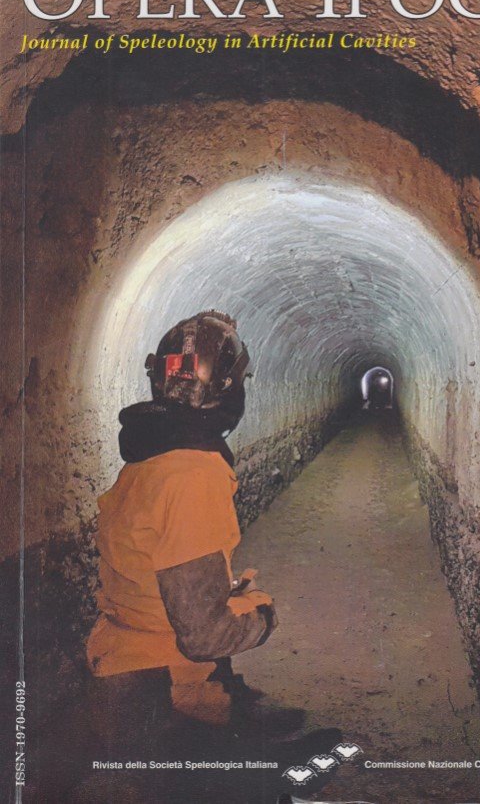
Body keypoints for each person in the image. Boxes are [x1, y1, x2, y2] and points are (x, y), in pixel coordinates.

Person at [85, 311, 340, 792]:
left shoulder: (151, 458)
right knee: (263, 783)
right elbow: (204, 635)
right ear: (228, 389)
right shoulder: (192, 475)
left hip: (125, 669)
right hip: (159, 691)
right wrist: (262, 616)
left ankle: (240, 728)